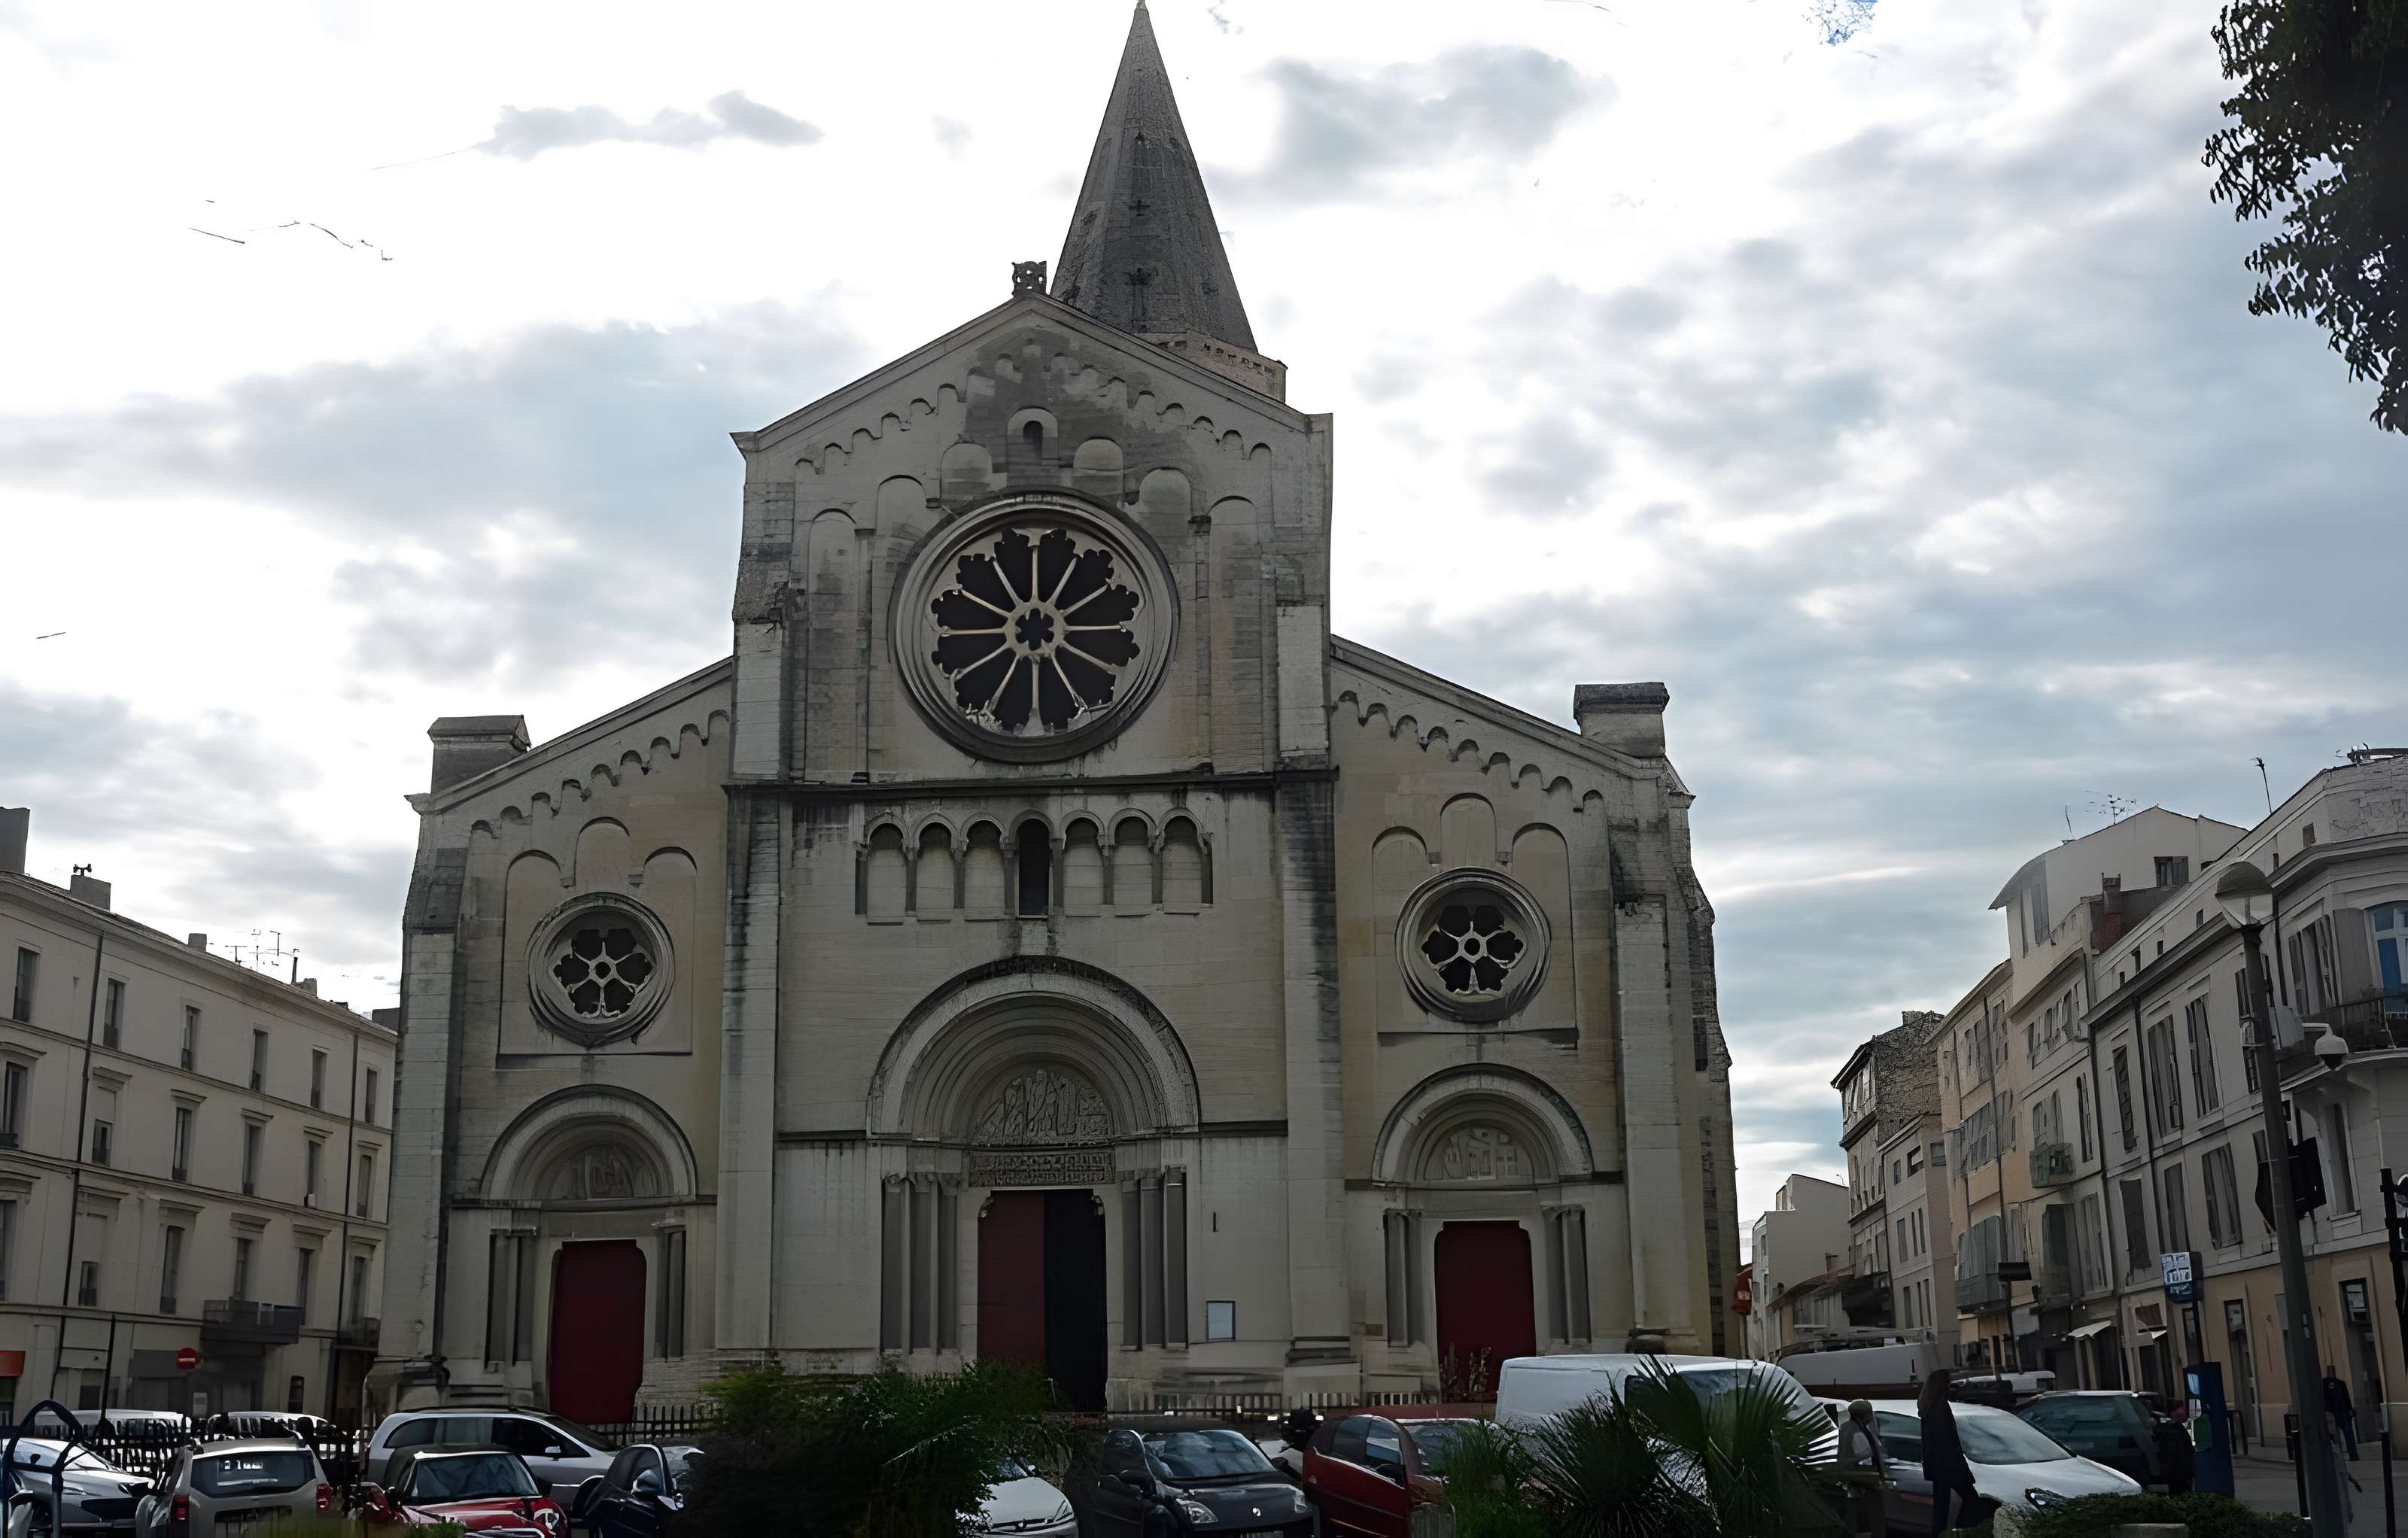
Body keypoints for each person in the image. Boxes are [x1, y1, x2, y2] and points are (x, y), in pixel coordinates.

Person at [1918, 1372, 1979, 1536]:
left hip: (1938, 1464)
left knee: (1942, 1506)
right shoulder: (1940, 1405)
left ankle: (1944, 1533)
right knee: (1971, 1500)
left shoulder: (1928, 1404)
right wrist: (1961, 1467)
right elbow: (1947, 1439)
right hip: (1948, 1463)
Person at [1835, 1398, 1891, 1537]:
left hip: (1847, 1480)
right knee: (1872, 1519)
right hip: (1862, 1484)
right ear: (1866, 1416)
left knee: (1851, 1521)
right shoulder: (1859, 1433)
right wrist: (1876, 1481)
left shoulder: (1845, 1428)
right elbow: (1865, 1459)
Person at [2324, 1366, 2358, 1460]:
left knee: (2346, 1433)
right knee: (2336, 1435)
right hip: (2332, 1412)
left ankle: (2351, 1455)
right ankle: (2340, 1455)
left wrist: (2350, 1410)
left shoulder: (2339, 1383)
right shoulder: (2325, 1383)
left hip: (2340, 1411)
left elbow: (2346, 1398)